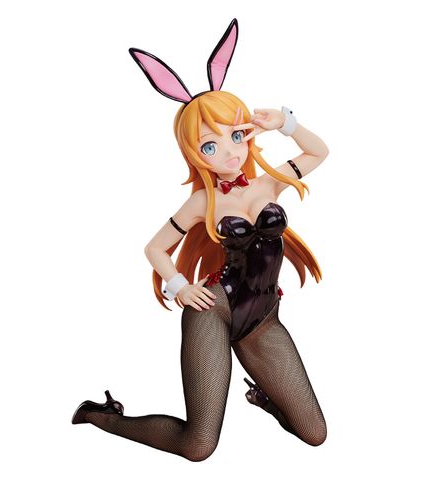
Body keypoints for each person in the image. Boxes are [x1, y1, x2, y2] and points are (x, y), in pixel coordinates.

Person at [72, 18, 329, 462]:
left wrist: (285, 122)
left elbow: (319, 152)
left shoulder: (269, 182)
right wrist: (179, 286)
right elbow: (154, 248)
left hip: (263, 317)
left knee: (315, 433)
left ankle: (271, 402)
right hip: (214, 311)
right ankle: (102, 416)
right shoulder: (201, 202)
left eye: (236, 136)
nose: (229, 152)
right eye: (210, 146)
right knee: (199, 445)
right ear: (195, 154)